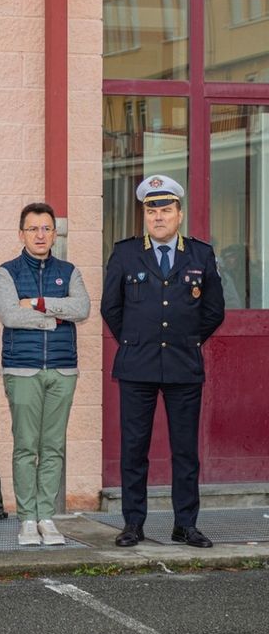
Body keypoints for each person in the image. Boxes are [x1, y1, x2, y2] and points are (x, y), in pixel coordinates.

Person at [100, 175, 225, 548]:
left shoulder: (200, 254)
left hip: (183, 365)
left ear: (179, 214)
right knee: (134, 449)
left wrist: (188, 340)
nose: (158, 217)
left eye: (166, 210)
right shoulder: (125, 254)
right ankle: (133, 524)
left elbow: (213, 310)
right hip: (137, 365)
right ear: (144, 215)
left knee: (185, 451)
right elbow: (111, 307)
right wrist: (136, 339)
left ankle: (185, 525)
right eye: (151, 210)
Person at [0, 202, 90, 546]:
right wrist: (55, 318)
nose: (40, 235)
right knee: (25, 446)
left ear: (54, 233)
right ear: (21, 234)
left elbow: (82, 308)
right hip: (22, 369)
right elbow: (9, 315)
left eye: (46, 228)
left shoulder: (69, 270)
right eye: (33, 229)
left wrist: (37, 303)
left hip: (62, 370)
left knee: (53, 446)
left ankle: (46, 518)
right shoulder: (7, 272)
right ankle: (27, 519)